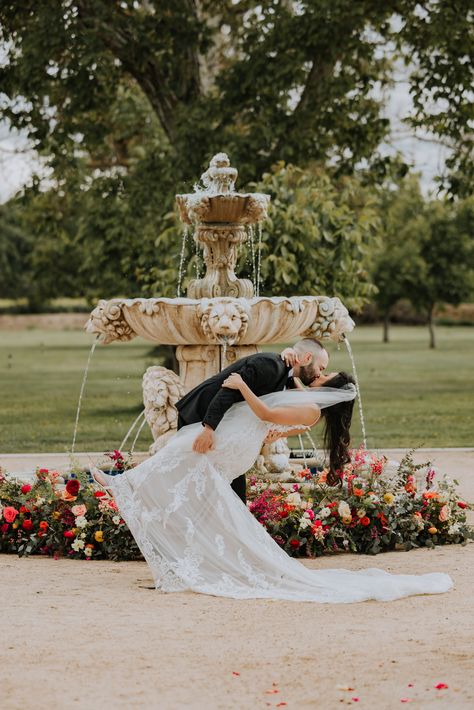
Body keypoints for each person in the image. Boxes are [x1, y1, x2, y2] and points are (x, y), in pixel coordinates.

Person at [92, 371, 453, 603]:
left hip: (238, 443)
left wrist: (241, 385)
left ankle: (122, 483)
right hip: (241, 439)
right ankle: (171, 541)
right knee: (188, 466)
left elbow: (266, 414)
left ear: (331, 391)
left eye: (325, 375)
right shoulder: (306, 400)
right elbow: (285, 402)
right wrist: (294, 367)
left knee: (180, 450)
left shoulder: (311, 410)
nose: (320, 375)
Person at [175, 338, 329, 503]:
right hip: (200, 417)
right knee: (192, 487)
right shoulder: (269, 364)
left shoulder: (286, 375)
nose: (319, 374)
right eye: (321, 368)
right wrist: (208, 429)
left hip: (227, 432)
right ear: (307, 358)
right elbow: (229, 388)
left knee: (231, 493)